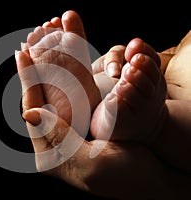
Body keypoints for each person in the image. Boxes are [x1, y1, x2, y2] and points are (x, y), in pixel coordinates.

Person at [15, 10, 191, 199]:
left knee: (159, 113)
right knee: (117, 82)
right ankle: (88, 100)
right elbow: (177, 53)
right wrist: (147, 62)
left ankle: (154, 124)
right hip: (165, 88)